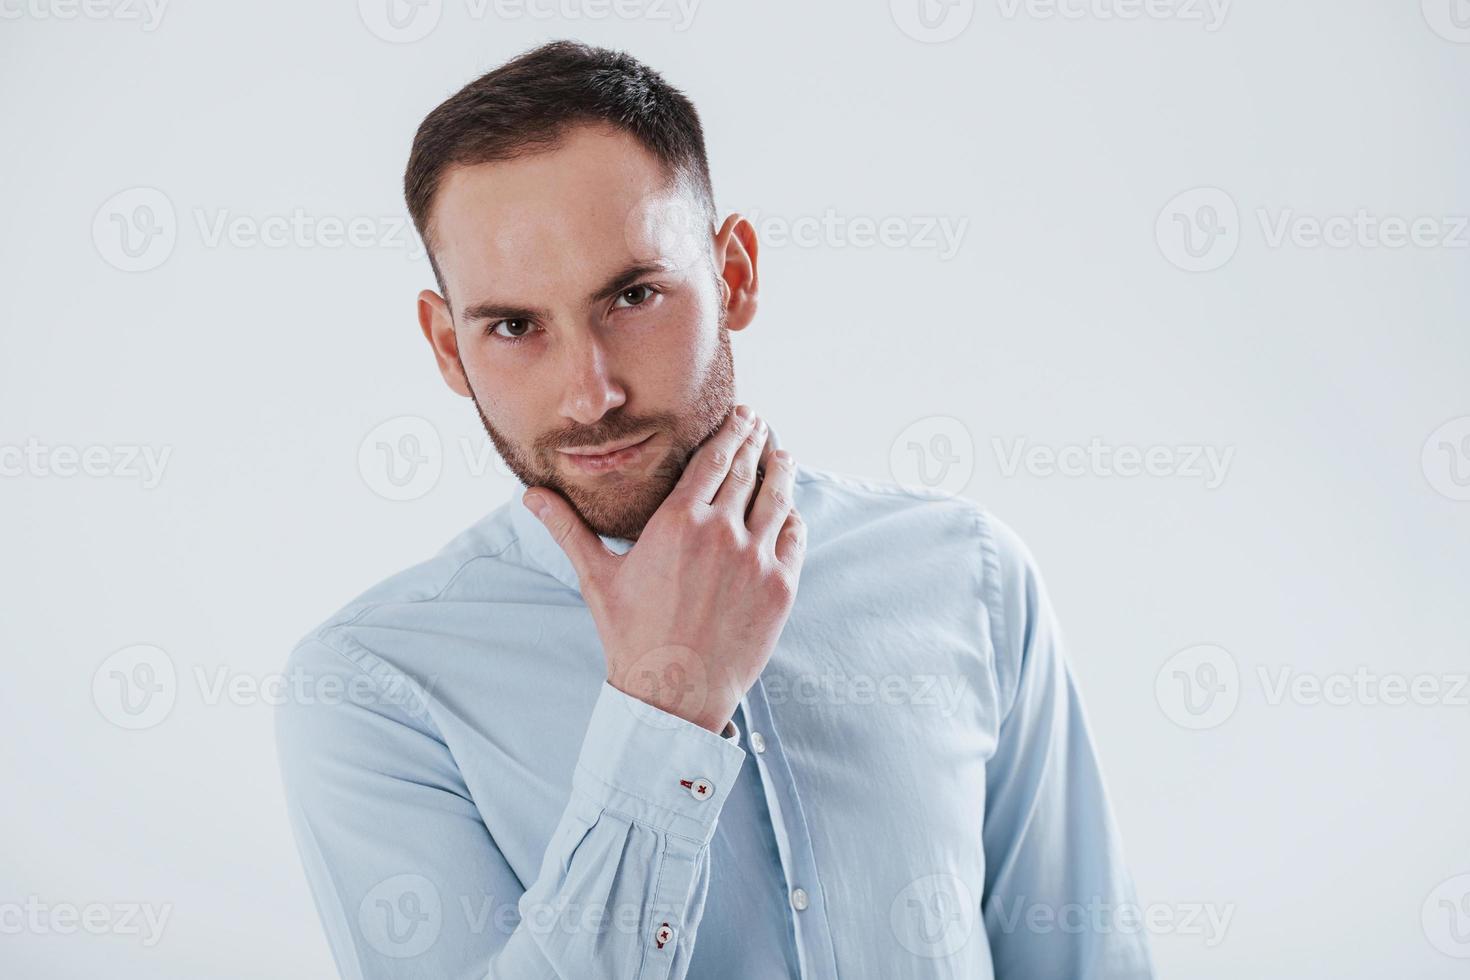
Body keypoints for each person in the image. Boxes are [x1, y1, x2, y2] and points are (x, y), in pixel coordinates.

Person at [276, 39, 1155, 980]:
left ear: (733, 275)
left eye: (634, 295)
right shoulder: (375, 689)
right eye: (515, 326)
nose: (591, 393)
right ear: (450, 350)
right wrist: (664, 711)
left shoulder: (966, 574)